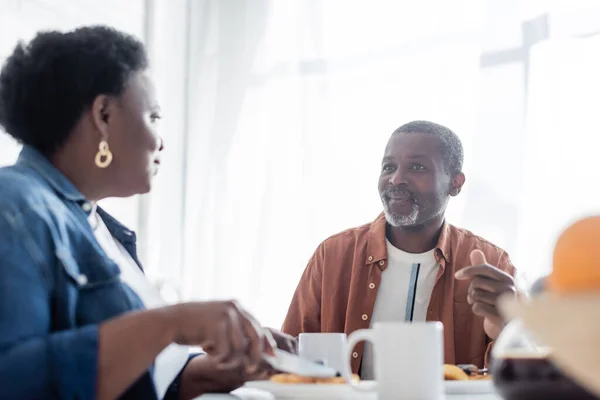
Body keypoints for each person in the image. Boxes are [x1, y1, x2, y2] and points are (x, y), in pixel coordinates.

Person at [0, 26, 289, 400]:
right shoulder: (15, 207)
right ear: (103, 114)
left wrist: (211, 372)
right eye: (153, 116)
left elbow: (135, 383)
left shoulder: (101, 228)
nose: (160, 140)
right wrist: (171, 322)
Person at [282, 121, 518, 378]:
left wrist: (506, 327)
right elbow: (289, 357)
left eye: (417, 167)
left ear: (455, 183)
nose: (396, 179)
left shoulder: (491, 263)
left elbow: (518, 376)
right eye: (389, 167)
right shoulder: (333, 256)